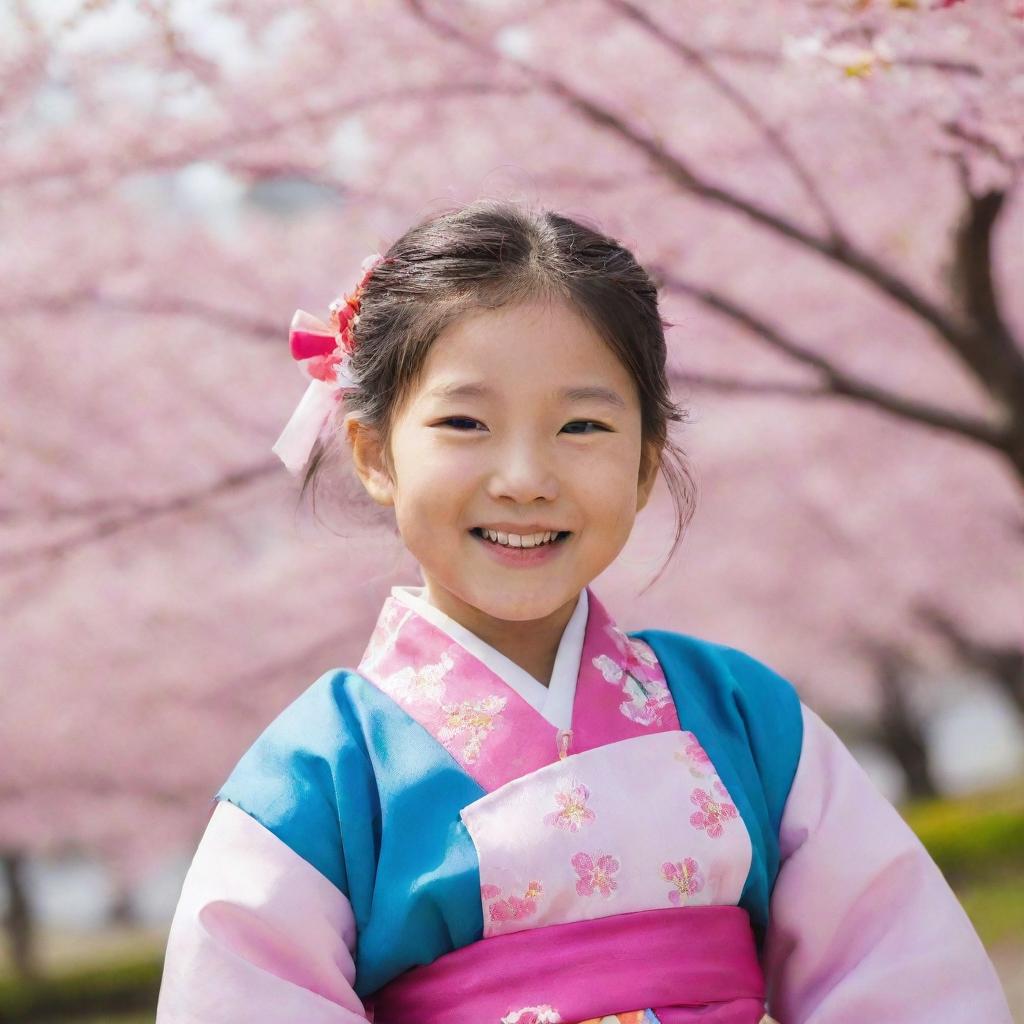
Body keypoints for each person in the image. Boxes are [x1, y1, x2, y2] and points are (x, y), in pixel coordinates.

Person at [155, 199, 1012, 1024]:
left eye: (582, 427)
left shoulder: (744, 716)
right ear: (375, 454)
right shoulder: (320, 774)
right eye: (464, 421)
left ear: (646, 464)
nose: (525, 476)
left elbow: (904, 976)